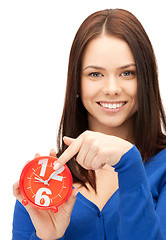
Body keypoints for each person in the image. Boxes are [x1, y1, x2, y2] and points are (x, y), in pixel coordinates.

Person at [12, 8, 166, 240]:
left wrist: (129, 163)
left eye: (127, 73)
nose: (112, 88)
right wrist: (47, 237)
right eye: (95, 74)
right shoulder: (40, 184)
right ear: (76, 83)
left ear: (146, 79)